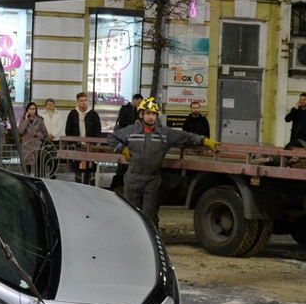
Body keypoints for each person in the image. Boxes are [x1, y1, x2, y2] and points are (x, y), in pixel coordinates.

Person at [108, 97, 218, 225]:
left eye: (154, 114)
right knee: (132, 214)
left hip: (152, 181)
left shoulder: (164, 134)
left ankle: (151, 242)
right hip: (133, 180)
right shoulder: (131, 131)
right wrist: (122, 149)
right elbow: (112, 138)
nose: (151, 117)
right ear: (142, 114)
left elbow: (186, 136)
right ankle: (133, 241)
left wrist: (204, 141)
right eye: (148, 113)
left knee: (150, 216)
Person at [65, 91, 102, 184]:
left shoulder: (93, 114)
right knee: (78, 167)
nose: (83, 102)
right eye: (81, 100)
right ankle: (79, 185)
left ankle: (90, 185)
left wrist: (94, 142)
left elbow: (98, 129)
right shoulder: (73, 113)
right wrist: (72, 142)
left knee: (91, 167)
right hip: (78, 145)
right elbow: (68, 129)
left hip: (91, 146)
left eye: (85, 100)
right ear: (77, 102)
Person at [18, 100, 50, 176]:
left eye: (34, 109)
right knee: (27, 168)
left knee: (38, 168)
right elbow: (20, 132)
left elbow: (45, 134)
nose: (32, 111)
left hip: (36, 146)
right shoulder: (23, 119)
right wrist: (26, 119)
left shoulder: (39, 120)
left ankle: (38, 182)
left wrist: (38, 134)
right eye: (30, 109)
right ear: (27, 110)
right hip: (26, 146)